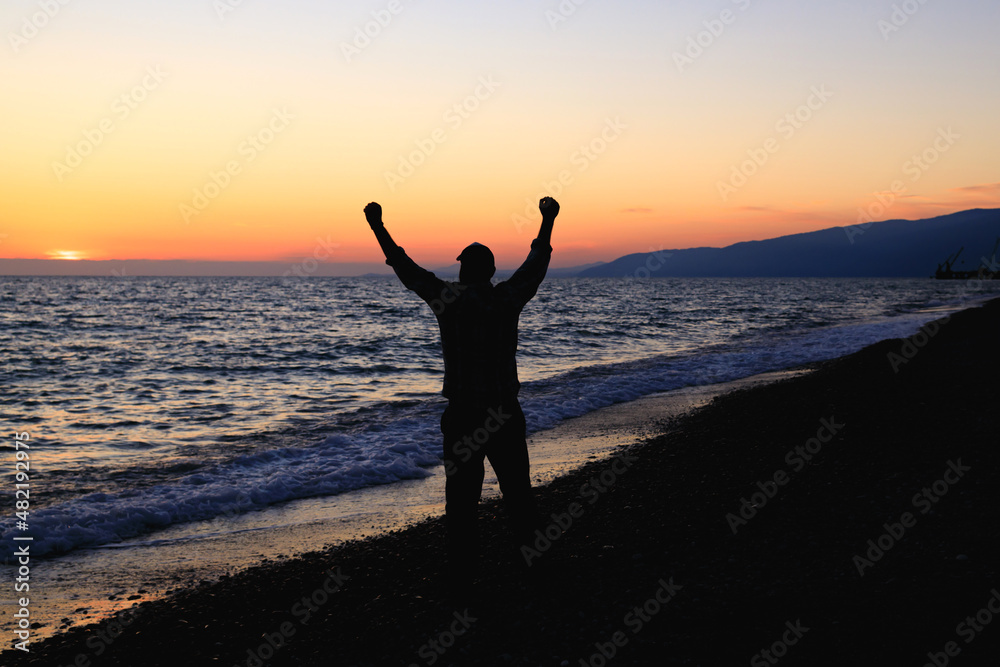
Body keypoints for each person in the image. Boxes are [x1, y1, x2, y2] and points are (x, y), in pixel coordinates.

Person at [363, 197, 559, 580]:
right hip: (503, 412)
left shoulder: (447, 300)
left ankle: (465, 577)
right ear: (491, 271)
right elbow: (537, 264)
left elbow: (405, 268)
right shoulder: (506, 299)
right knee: (518, 496)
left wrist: (377, 226)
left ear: (463, 271)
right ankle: (534, 568)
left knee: (462, 502)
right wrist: (547, 219)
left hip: (464, 416)